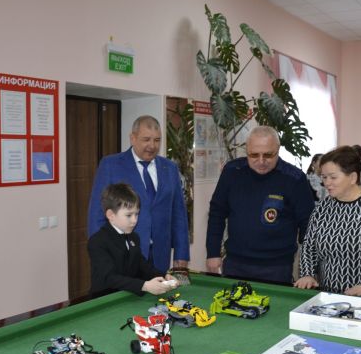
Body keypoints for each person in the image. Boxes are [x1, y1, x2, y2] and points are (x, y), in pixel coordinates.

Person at [206, 126, 314, 284]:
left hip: (277, 267)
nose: (261, 161)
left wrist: (308, 270)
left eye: (268, 155)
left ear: (278, 150)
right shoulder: (232, 171)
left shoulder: (295, 179)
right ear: (246, 150)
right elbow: (217, 213)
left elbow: (308, 228)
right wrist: (213, 253)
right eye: (254, 155)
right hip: (236, 264)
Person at [295, 146, 361, 298]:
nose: (326, 183)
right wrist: (307, 274)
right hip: (327, 295)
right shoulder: (323, 207)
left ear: (352, 177)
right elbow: (309, 246)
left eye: (332, 177)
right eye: (324, 177)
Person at [87, 115, 189, 273]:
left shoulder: (169, 168)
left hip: (160, 257)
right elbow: (97, 215)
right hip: (121, 257)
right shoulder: (111, 165)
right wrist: (102, 255)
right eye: (146, 139)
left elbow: (179, 215)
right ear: (132, 138)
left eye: (157, 140)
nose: (152, 146)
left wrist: (181, 254)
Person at [88, 183, 177, 296]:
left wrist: (163, 276)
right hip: (103, 300)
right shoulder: (97, 241)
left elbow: (142, 266)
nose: (134, 220)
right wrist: (144, 285)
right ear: (111, 215)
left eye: (137, 214)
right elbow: (109, 278)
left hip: (126, 296)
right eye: (129, 215)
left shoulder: (134, 237)